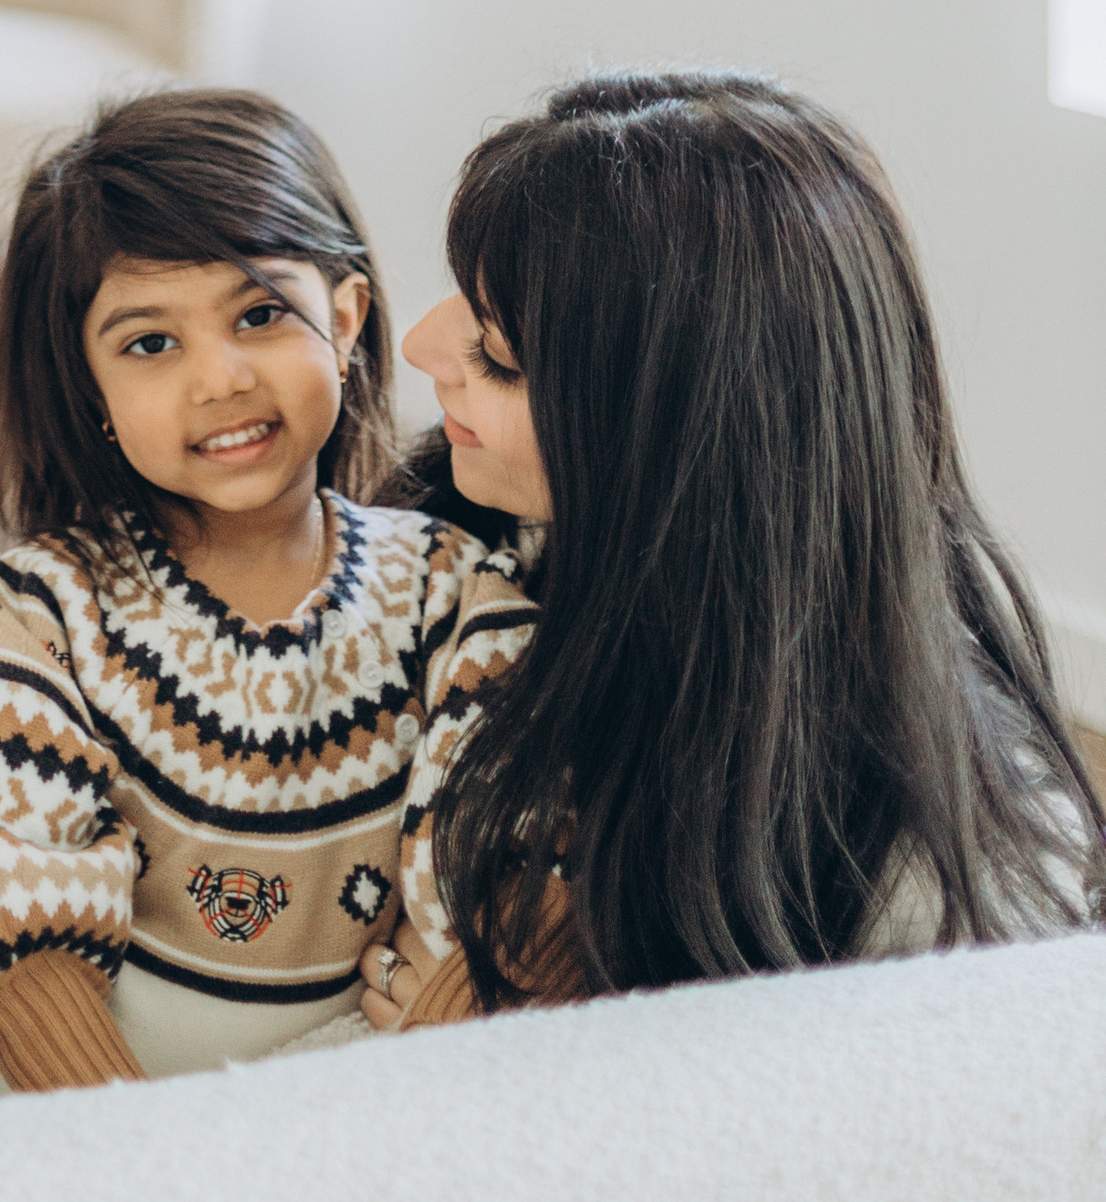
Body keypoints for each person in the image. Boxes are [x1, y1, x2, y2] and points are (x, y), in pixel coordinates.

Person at [354, 71, 1106, 1034]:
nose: (419, 344)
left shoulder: (938, 896)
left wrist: (475, 1040)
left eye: (498, 356)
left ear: (658, 448)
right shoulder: (460, 540)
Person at [0, 90, 534, 1090]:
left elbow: (507, 860)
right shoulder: (41, 615)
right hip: (68, 1118)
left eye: (260, 314)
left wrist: (437, 1073)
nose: (219, 377)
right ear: (88, 387)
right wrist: (140, 1153)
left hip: (322, 1116)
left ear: (347, 317)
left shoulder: (451, 594)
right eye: (150, 343)